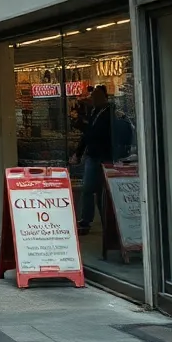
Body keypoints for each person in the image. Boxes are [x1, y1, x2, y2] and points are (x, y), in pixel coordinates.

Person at [70, 85, 113, 235]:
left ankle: (103, 221)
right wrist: (79, 152)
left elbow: (95, 133)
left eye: (95, 96)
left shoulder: (108, 113)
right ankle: (87, 220)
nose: (92, 99)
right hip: (94, 155)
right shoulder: (95, 111)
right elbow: (87, 135)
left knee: (99, 190)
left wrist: (84, 127)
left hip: (104, 155)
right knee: (89, 189)